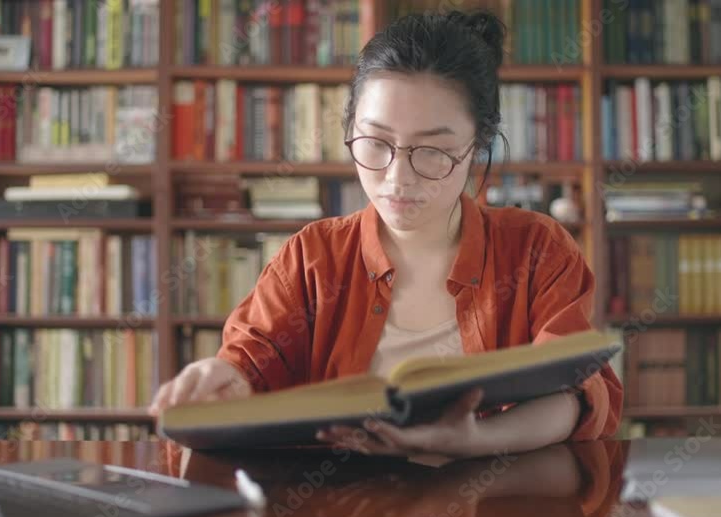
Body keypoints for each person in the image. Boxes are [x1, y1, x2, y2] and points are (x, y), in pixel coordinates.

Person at [150, 10, 623, 458]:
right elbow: (250, 361)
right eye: (376, 143)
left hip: (494, 507)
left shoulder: (537, 250)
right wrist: (227, 380)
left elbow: (576, 392)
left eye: (433, 151)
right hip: (338, 509)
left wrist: (476, 440)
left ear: (477, 146)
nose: (398, 178)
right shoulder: (312, 258)